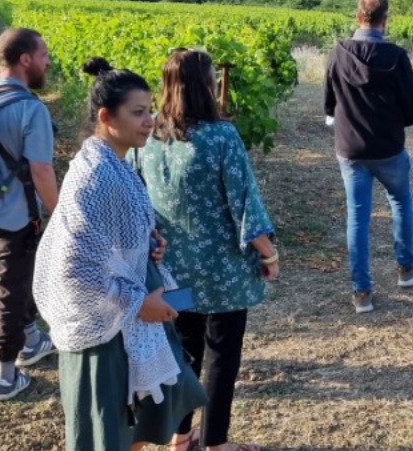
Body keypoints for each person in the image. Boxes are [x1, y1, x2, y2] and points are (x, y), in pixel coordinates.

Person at [33, 61, 207, 451]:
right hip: (106, 323)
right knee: (109, 431)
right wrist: (137, 303)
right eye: (138, 112)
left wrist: (148, 243)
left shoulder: (116, 161)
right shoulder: (97, 175)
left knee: (130, 425)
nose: (150, 121)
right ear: (105, 117)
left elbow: (110, 235)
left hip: (122, 318)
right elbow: (73, 265)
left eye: (150, 111)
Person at [140, 47, 280, 451]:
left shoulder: (148, 136)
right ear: (206, 84)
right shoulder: (221, 135)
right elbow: (245, 204)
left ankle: (179, 436)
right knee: (221, 355)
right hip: (223, 275)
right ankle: (216, 443)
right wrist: (268, 253)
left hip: (172, 270)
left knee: (184, 351)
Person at [324, 0, 413, 314]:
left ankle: (362, 293)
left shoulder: (338, 53)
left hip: (350, 150)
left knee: (357, 216)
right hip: (388, 149)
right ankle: (406, 269)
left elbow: (329, 104)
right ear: (385, 20)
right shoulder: (397, 57)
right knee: (400, 201)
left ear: (358, 18)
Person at [0, 28, 58, 401]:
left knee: (19, 275)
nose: (47, 62)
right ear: (25, 59)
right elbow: (41, 171)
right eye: (43, 55)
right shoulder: (30, 109)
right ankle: (7, 376)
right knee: (9, 288)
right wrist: (59, 213)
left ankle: (29, 341)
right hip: (14, 215)